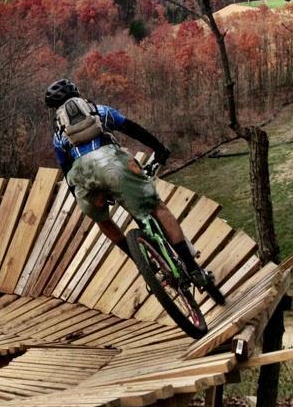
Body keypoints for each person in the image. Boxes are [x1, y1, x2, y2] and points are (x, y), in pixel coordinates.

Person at [45, 78, 214, 289]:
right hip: (112, 164)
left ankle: (142, 261)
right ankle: (194, 270)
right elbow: (133, 129)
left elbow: (66, 169)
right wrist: (158, 148)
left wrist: (83, 198)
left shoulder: (58, 135)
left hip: (82, 178)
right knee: (157, 207)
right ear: (77, 93)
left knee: (104, 221)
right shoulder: (99, 111)